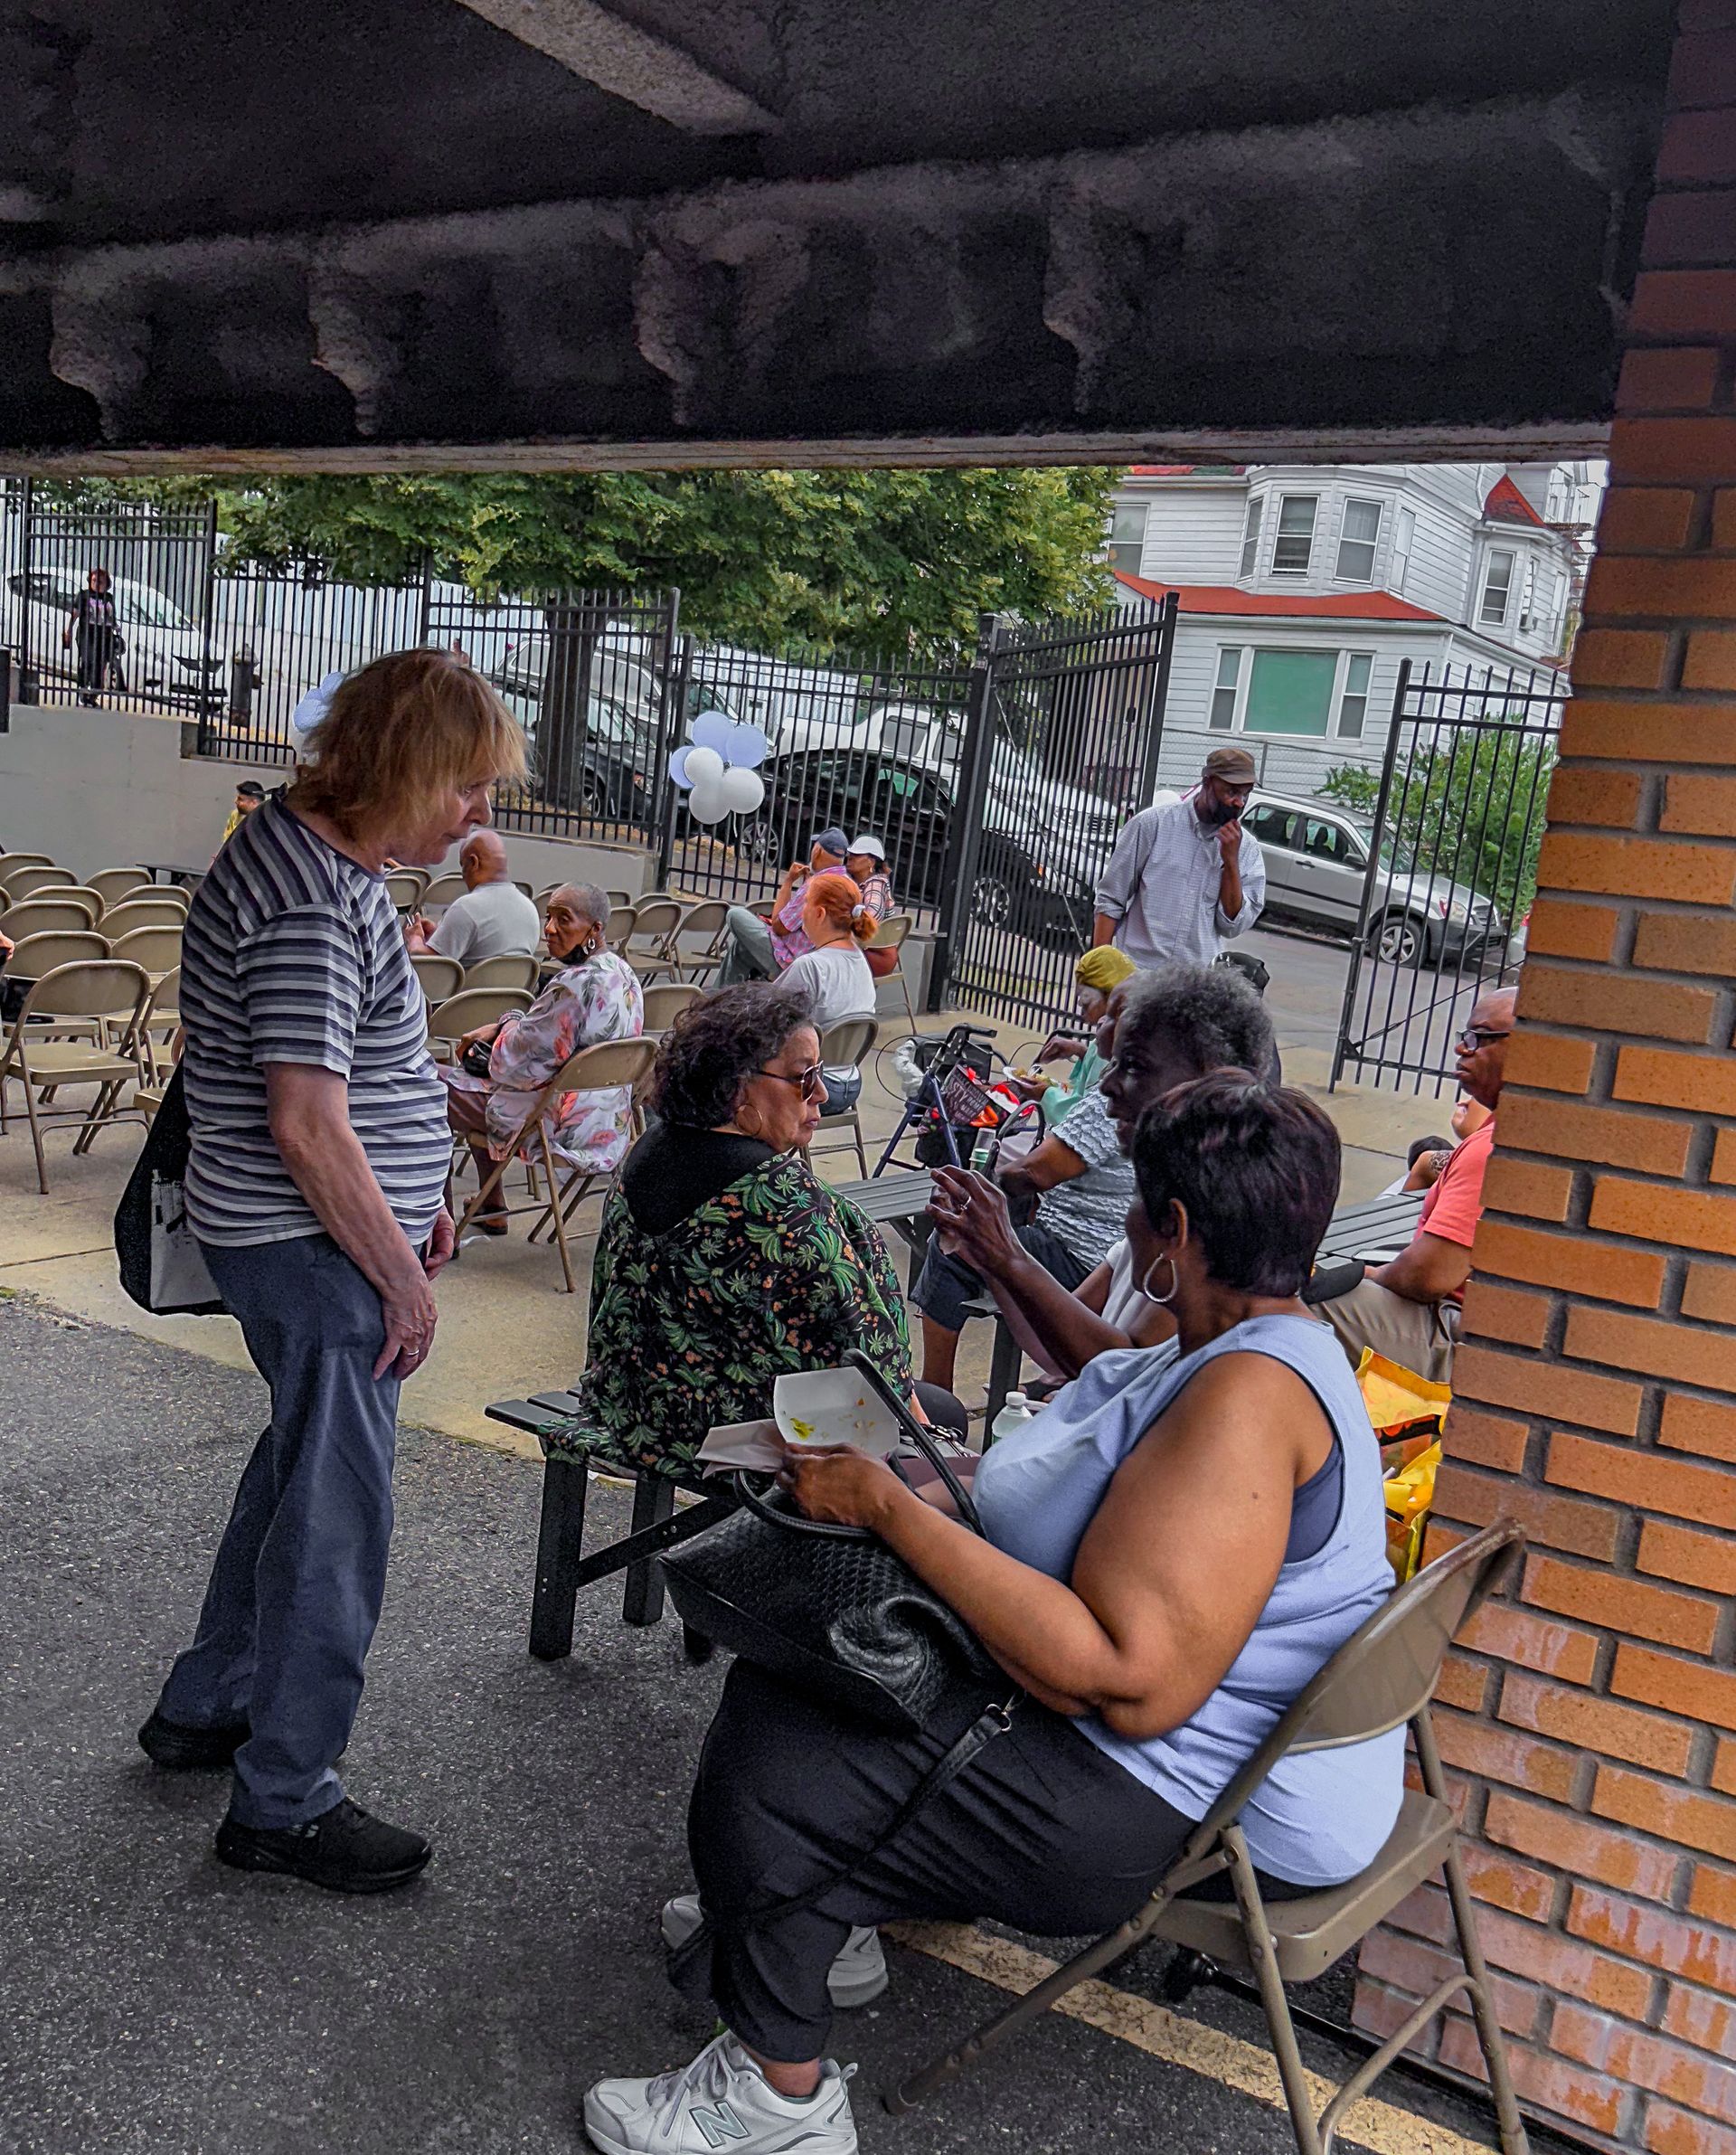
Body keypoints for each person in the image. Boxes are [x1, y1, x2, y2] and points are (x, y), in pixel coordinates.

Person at [589, 1075, 1403, 2155]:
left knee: (783, 1739)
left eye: (1135, 1203)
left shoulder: (1246, 1400)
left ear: (1180, 1230)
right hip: (1197, 1758)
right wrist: (949, 1475)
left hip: (1151, 1797)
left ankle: (775, 2097)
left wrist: (885, 1501)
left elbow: (1124, 1677)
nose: (1121, 1221)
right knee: (841, 1681)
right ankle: (810, 1923)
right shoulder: (1247, 1339)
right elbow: (1120, 1482)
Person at [138, 647, 526, 1895]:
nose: (479, 817)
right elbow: (307, 1118)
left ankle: (211, 1702)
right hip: (313, 1255)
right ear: (406, 765)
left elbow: (344, 1090)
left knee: (298, 1474)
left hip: (318, 1243)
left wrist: (415, 1206)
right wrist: (398, 1273)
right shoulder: (313, 894)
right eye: (467, 785)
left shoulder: (310, 861)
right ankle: (285, 1795)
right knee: (334, 1522)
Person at [542, 982, 921, 1486]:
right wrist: (923, 1427)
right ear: (738, 1088)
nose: (823, 1094)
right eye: (804, 1078)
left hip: (632, 1416)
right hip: (731, 1442)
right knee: (936, 1421)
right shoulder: (777, 1196)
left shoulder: (646, 1152)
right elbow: (875, 1358)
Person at [928, 961, 1278, 1383]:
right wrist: (991, 1253)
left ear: (1205, 1076)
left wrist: (1006, 1251)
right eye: (1111, 1065)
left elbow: (1121, 1371)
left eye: (1133, 1066)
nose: (1107, 1086)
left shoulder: (1211, 1230)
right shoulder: (1154, 1208)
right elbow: (1062, 1353)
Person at [1313, 986, 1514, 1384]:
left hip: (1461, 1341)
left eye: (1480, 1038)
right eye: (1464, 1037)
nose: (1462, 1049)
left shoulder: (1495, 1148)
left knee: (1298, 1310)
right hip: (1479, 1330)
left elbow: (1429, 1277)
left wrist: (1372, 1275)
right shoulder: (1509, 1131)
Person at [910, 1056, 1136, 1394]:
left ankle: (935, 1390)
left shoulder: (1119, 1098)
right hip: (1105, 1251)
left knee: (951, 1244)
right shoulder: (1179, 1101)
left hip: (1077, 1250)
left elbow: (1035, 1173)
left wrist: (987, 1191)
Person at [440, 882, 644, 1234]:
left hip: (554, 1124)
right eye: (548, 917)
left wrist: (503, 1024)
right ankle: (491, 1206)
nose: (549, 928)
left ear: (595, 929)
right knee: (479, 1083)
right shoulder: (624, 974)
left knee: (425, 1088)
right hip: (607, 1121)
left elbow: (513, 1065)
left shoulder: (573, 986)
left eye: (564, 919)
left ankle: (434, 1226)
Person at [1093, 746, 1266, 969]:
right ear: (1207, 783)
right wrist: (1096, 977)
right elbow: (1110, 901)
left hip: (1196, 983)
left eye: (1245, 793)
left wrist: (1230, 862)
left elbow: (1232, 926)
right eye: (1232, 791)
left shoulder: (1247, 849)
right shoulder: (1152, 825)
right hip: (1139, 974)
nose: (1240, 802)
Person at [778, 873, 878, 1118]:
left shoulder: (811, 966)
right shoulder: (861, 961)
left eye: (805, 905)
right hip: (851, 1084)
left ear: (820, 913)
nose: (802, 914)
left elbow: (766, 1021)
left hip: (816, 1087)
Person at [716, 827, 848, 986]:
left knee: (735, 914)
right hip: (818, 962)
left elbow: (779, 926)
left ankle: (715, 1002)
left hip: (790, 960)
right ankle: (721, 1000)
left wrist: (789, 881)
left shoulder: (818, 885)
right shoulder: (847, 884)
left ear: (817, 851)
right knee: (741, 949)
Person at [1028, 945, 1138, 1129]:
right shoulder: (1118, 1034)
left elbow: (1081, 1117)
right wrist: (1081, 1052)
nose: (1082, 1010)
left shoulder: (1117, 1044)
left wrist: (1044, 1093)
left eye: (1086, 1003)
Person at [404, 827, 540, 963]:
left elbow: (431, 965)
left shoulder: (466, 907)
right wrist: (439, 935)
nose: (463, 875)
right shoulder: (529, 908)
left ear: (474, 863)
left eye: (463, 865)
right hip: (516, 985)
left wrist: (415, 939)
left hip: (466, 985)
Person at [61, 566, 120, 705]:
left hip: (104, 636)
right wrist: (68, 631)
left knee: (100, 666)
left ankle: (93, 696)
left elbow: (112, 617)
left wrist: (116, 628)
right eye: (93, 580)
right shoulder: (83, 595)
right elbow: (73, 614)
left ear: (106, 584)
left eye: (100, 581)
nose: (96, 584)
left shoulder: (109, 598)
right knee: (87, 662)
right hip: (87, 634)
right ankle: (82, 692)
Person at [220, 780, 266, 846]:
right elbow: (227, 841)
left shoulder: (266, 820)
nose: (236, 801)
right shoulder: (235, 815)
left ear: (254, 802)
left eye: (240, 799)